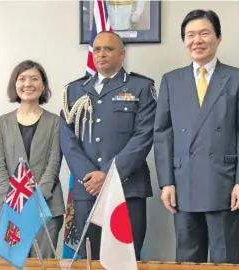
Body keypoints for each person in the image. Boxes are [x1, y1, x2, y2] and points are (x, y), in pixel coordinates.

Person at [154, 9, 239, 264]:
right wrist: (166, 182)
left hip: (225, 185)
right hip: (183, 183)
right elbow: (163, 134)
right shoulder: (171, 80)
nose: (196, 40)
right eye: (190, 35)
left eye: (204, 33)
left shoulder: (238, 78)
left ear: (218, 38)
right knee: (188, 258)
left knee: (226, 258)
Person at [60, 31, 156, 260]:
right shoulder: (74, 90)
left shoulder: (141, 87)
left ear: (122, 54)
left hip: (127, 188)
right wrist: (89, 175)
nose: (102, 54)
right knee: (89, 259)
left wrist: (109, 174)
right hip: (87, 190)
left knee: (126, 258)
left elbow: (144, 135)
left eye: (109, 49)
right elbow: (67, 138)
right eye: (97, 49)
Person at [0, 60, 65, 258]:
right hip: (9, 208)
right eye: (22, 79)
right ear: (14, 85)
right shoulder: (0, 123)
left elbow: (54, 164)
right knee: (12, 264)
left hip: (46, 208)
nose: (28, 84)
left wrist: (36, 200)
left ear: (43, 85)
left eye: (34, 79)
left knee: (42, 264)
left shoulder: (56, 123)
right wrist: (14, 200)